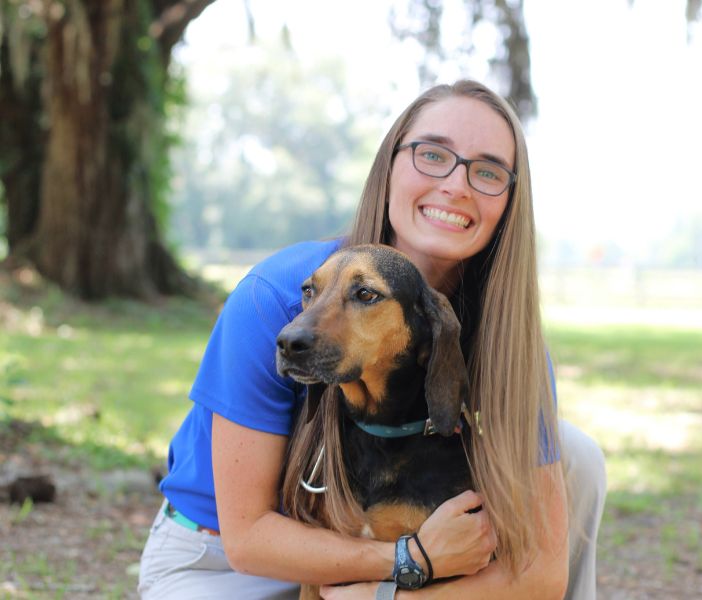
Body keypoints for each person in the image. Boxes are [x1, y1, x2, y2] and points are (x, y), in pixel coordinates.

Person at [138, 79, 606, 600]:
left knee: (575, 455)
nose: (456, 185)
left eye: (488, 171)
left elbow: (539, 574)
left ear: (509, 203)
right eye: (433, 154)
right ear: (389, 166)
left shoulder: (503, 338)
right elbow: (248, 538)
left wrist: (387, 595)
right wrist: (408, 561)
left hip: (389, 571)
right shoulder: (274, 296)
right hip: (226, 562)